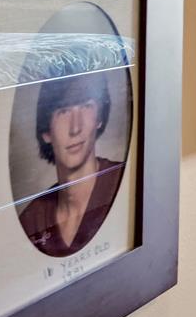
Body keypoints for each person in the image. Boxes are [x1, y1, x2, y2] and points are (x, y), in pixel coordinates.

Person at [17, 67, 123, 258]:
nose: (75, 127)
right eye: (63, 111)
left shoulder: (123, 184)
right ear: (46, 132)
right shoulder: (31, 220)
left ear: (99, 118)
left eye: (85, 106)